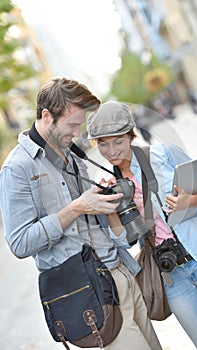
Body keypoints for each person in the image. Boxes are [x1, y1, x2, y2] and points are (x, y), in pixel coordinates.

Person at [0, 78, 162, 350]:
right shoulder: (17, 169)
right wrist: (77, 207)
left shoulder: (72, 156)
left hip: (121, 272)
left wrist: (104, 200)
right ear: (46, 116)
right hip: (94, 292)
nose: (77, 133)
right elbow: (19, 242)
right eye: (72, 125)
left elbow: (94, 220)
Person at [86, 100, 197, 350]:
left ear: (131, 135)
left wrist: (192, 200)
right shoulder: (109, 185)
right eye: (103, 143)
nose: (111, 150)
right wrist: (110, 209)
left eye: (118, 141)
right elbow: (124, 241)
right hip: (171, 275)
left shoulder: (164, 154)